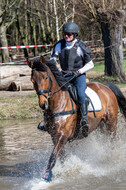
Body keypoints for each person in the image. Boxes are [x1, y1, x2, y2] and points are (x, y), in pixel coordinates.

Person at [39, 22, 94, 137]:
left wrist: (79, 71)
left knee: (80, 94)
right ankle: (47, 121)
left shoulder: (81, 46)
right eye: (65, 34)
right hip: (64, 76)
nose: (66, 36)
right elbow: (53, 61)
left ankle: (84, 120)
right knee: (53, 94)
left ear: (75, 34)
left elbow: (90, 64)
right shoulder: (59, 45)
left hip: (78, 76)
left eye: (69, 34)